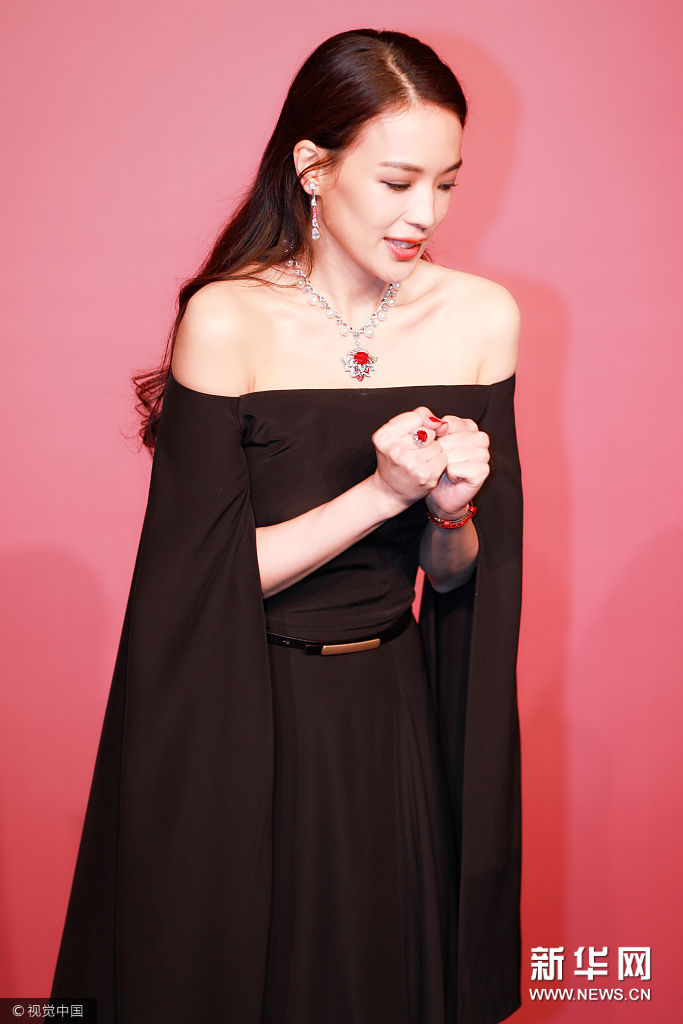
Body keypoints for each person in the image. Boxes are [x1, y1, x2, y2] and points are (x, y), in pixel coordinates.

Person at [51, 28, 523, 1024]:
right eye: (396, 181)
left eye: (445, 183)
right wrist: (380, 496)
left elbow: (455, 579)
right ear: (313, 166)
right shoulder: (228, 321)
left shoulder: (479, 320)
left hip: (388, 718)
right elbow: (195, 589)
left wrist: (448, 513)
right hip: (245, 716)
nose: (425, 213)